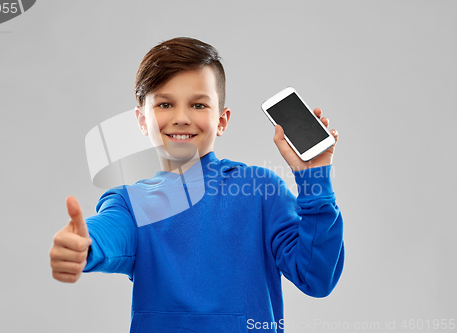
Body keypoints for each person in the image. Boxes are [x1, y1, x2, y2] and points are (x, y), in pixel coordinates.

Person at [49, 37, 344, 333]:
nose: (181, 118)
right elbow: (107, 232)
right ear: (141, 120)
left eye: (199, 105)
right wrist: (84, 243)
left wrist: (315, 182)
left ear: (222, 120)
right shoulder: (130, 202)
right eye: (165, 104)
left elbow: (316, 277)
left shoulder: (260, 189)